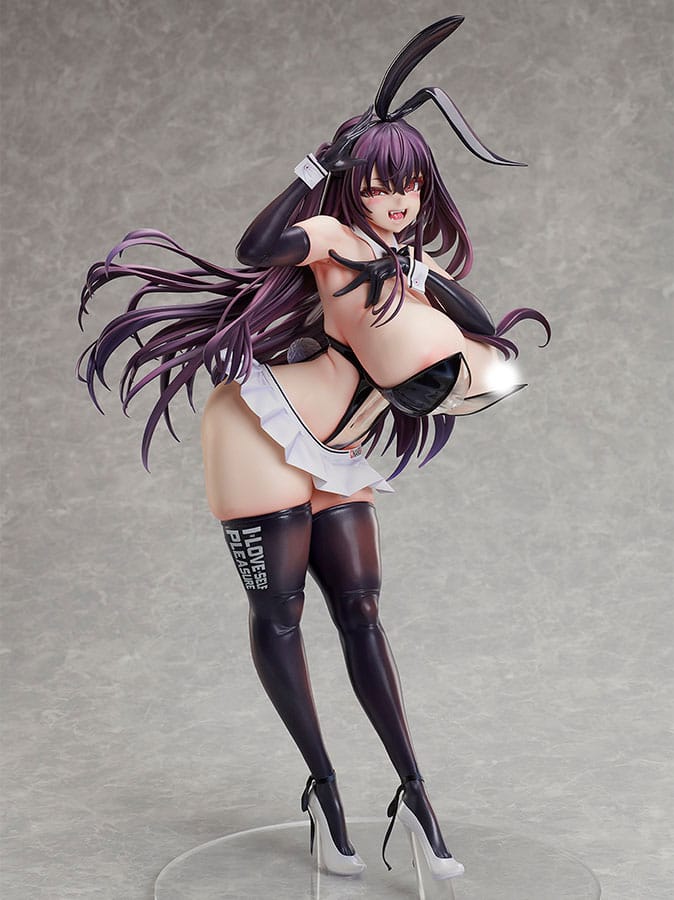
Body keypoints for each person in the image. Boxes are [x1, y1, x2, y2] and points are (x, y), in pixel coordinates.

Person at [78, 17, 549, 881]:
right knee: (283, 613)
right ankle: (325, 791)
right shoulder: (335, 241)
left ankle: (415, 795)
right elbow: (255, 249)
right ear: (355, 188)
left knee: (362, 611)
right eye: (380, 184)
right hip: (262, 432)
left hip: (337, 453)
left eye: (411, 183)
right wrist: (314, 169)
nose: (399, 200)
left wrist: (443, 299)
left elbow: (486, 344)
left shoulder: (417, 267)